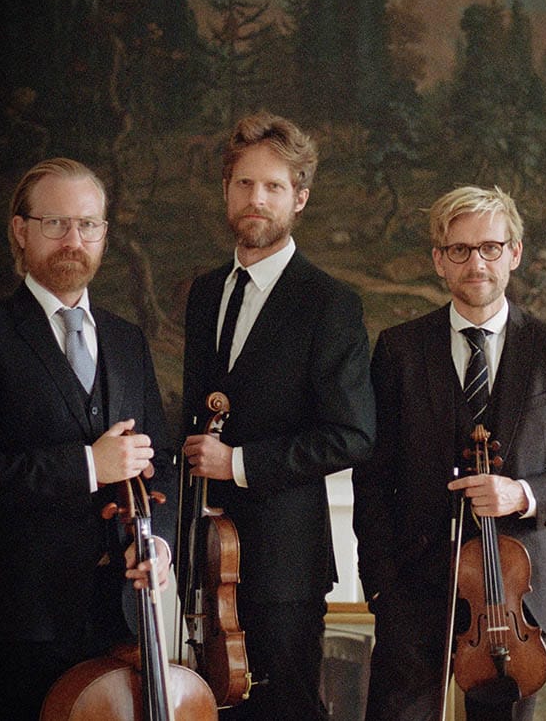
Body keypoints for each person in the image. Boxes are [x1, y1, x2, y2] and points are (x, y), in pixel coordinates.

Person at [352, 185, 546, 721]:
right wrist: (381, 585)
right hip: (415, 588)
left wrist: (522, 494)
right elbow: (373, 478)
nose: (476, 263)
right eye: (460, 250)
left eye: (490, 248)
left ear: (514, 253)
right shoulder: (400, 348)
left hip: (516, 596)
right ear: (439, 260)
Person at [0, 158, 177, 721]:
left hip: (117, 619)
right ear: (21, 230)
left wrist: (157, 543)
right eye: (56, 224)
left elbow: (157, 464)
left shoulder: (127, 339)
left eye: (88, 225)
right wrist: (89, 466)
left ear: (104, 235)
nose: (74, 240)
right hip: (15, 625)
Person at [178, 111, 375, 720]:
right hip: (205, 554)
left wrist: (237, 463)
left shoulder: (330, 303)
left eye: (273, 186)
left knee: (284, 710)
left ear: (300, 198)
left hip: (285, 565)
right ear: (226, 190)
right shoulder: (206, 292)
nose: (256, 199)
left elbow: (352, 435)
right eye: (244, 183)